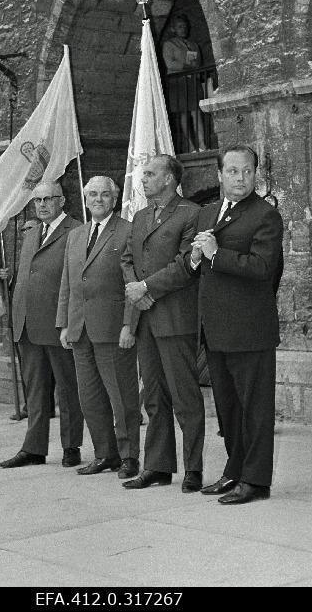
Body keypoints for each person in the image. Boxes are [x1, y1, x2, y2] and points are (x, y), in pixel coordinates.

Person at [190, 147, 283, 505]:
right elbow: (198, 263)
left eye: (246, 171)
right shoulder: (208, 213)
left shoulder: (265, 215)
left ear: (255, 174)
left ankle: (256, 481)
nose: (240, 178)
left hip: (250, 329)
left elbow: (262, 268)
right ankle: (234, 471)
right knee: (228, 409)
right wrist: (197, 257)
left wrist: (217, 254)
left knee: (255, 410)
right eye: (232, 171)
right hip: (215, 330)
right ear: (219, 175)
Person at [121, 155, 204, 492]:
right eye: (143, 175)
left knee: (185, 397)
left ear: (170, 179)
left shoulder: (190, 214)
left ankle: (194, 468)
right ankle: (158, 465)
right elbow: (127, 259)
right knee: (154, 396)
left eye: (151, 174)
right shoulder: (140, 217)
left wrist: (147, 287)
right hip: (146, 318)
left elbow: (186, 264)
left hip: (175, 318)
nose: (143, 179)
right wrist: (136, 291)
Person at [56, 176, 139, 479]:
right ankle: (105, 454)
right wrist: (64, 323)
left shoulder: (128, 231)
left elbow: (133, 284)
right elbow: (68, 282)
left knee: (122, 398)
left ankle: (130, 456)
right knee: (89, 397)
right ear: (85, 198)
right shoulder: (76, 235)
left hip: (112, 329)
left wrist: (129, 325)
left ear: (115, 199)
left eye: (105, 195)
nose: (98, 199)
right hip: (80, 330)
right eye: (92, 194)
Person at [0, 181, 84, 468]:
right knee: (34, 389)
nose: (42, 205)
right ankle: (33, 447)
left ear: (62, 201)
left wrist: (68, 323)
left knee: (67, 389)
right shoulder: (32, 231)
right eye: (37, 200)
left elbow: (74, 281)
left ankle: (71, 446)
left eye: (48, 199)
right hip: (27, 324)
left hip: (57, 325)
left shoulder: (76, 230)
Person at [162, 14, 206, 152]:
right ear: (173, 29)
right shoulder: (169, 44)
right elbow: (170, 63)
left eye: (185, 26)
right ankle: (191, 146)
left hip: (192, 80)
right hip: (178, 82)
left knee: (196, 112)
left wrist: (191, 67)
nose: (184, 29)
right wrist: (187, 66)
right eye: (180, 26)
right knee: (183, 113)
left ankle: (202, 144)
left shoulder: (193, 45)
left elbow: (197, 63)